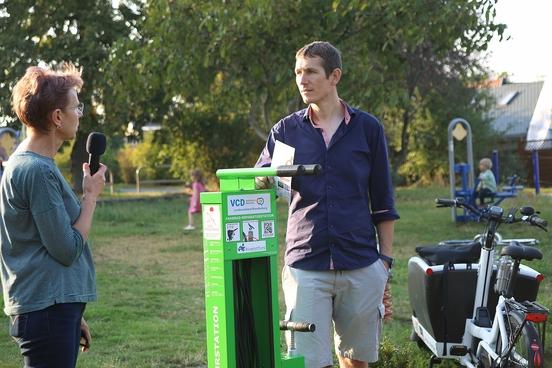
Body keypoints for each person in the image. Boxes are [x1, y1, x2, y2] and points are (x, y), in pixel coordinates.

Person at [256, 41, 399, 368]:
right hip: (306, 264)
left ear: (334, 76)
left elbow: (383, 201)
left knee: (355, 361)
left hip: (361, 263)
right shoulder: (286, 131)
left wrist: (385, 263)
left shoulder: (368, 130)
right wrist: (260, 180)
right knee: (308, 360)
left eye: (310, 72)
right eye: (297, 72)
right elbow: (261, 179)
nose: (302, 80)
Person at [0, 64, 107, 367]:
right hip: (46, 312)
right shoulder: (36, 171)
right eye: (76, 106)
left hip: (53, 310)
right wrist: (90, 196)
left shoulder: (29, 164)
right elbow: (66, 248)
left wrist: (72, 314)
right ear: (57, 117)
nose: (80, 113)